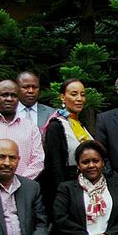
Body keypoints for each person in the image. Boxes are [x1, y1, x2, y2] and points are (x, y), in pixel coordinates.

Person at [40, 78, 93, 210]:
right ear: (63, 97)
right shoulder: (56, 125)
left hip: (88, 184)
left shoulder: (81, 124)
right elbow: (55, 165)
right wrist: (63, 196)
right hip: (68, 187)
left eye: (82, 94)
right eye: (74, 94)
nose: (79, 98)